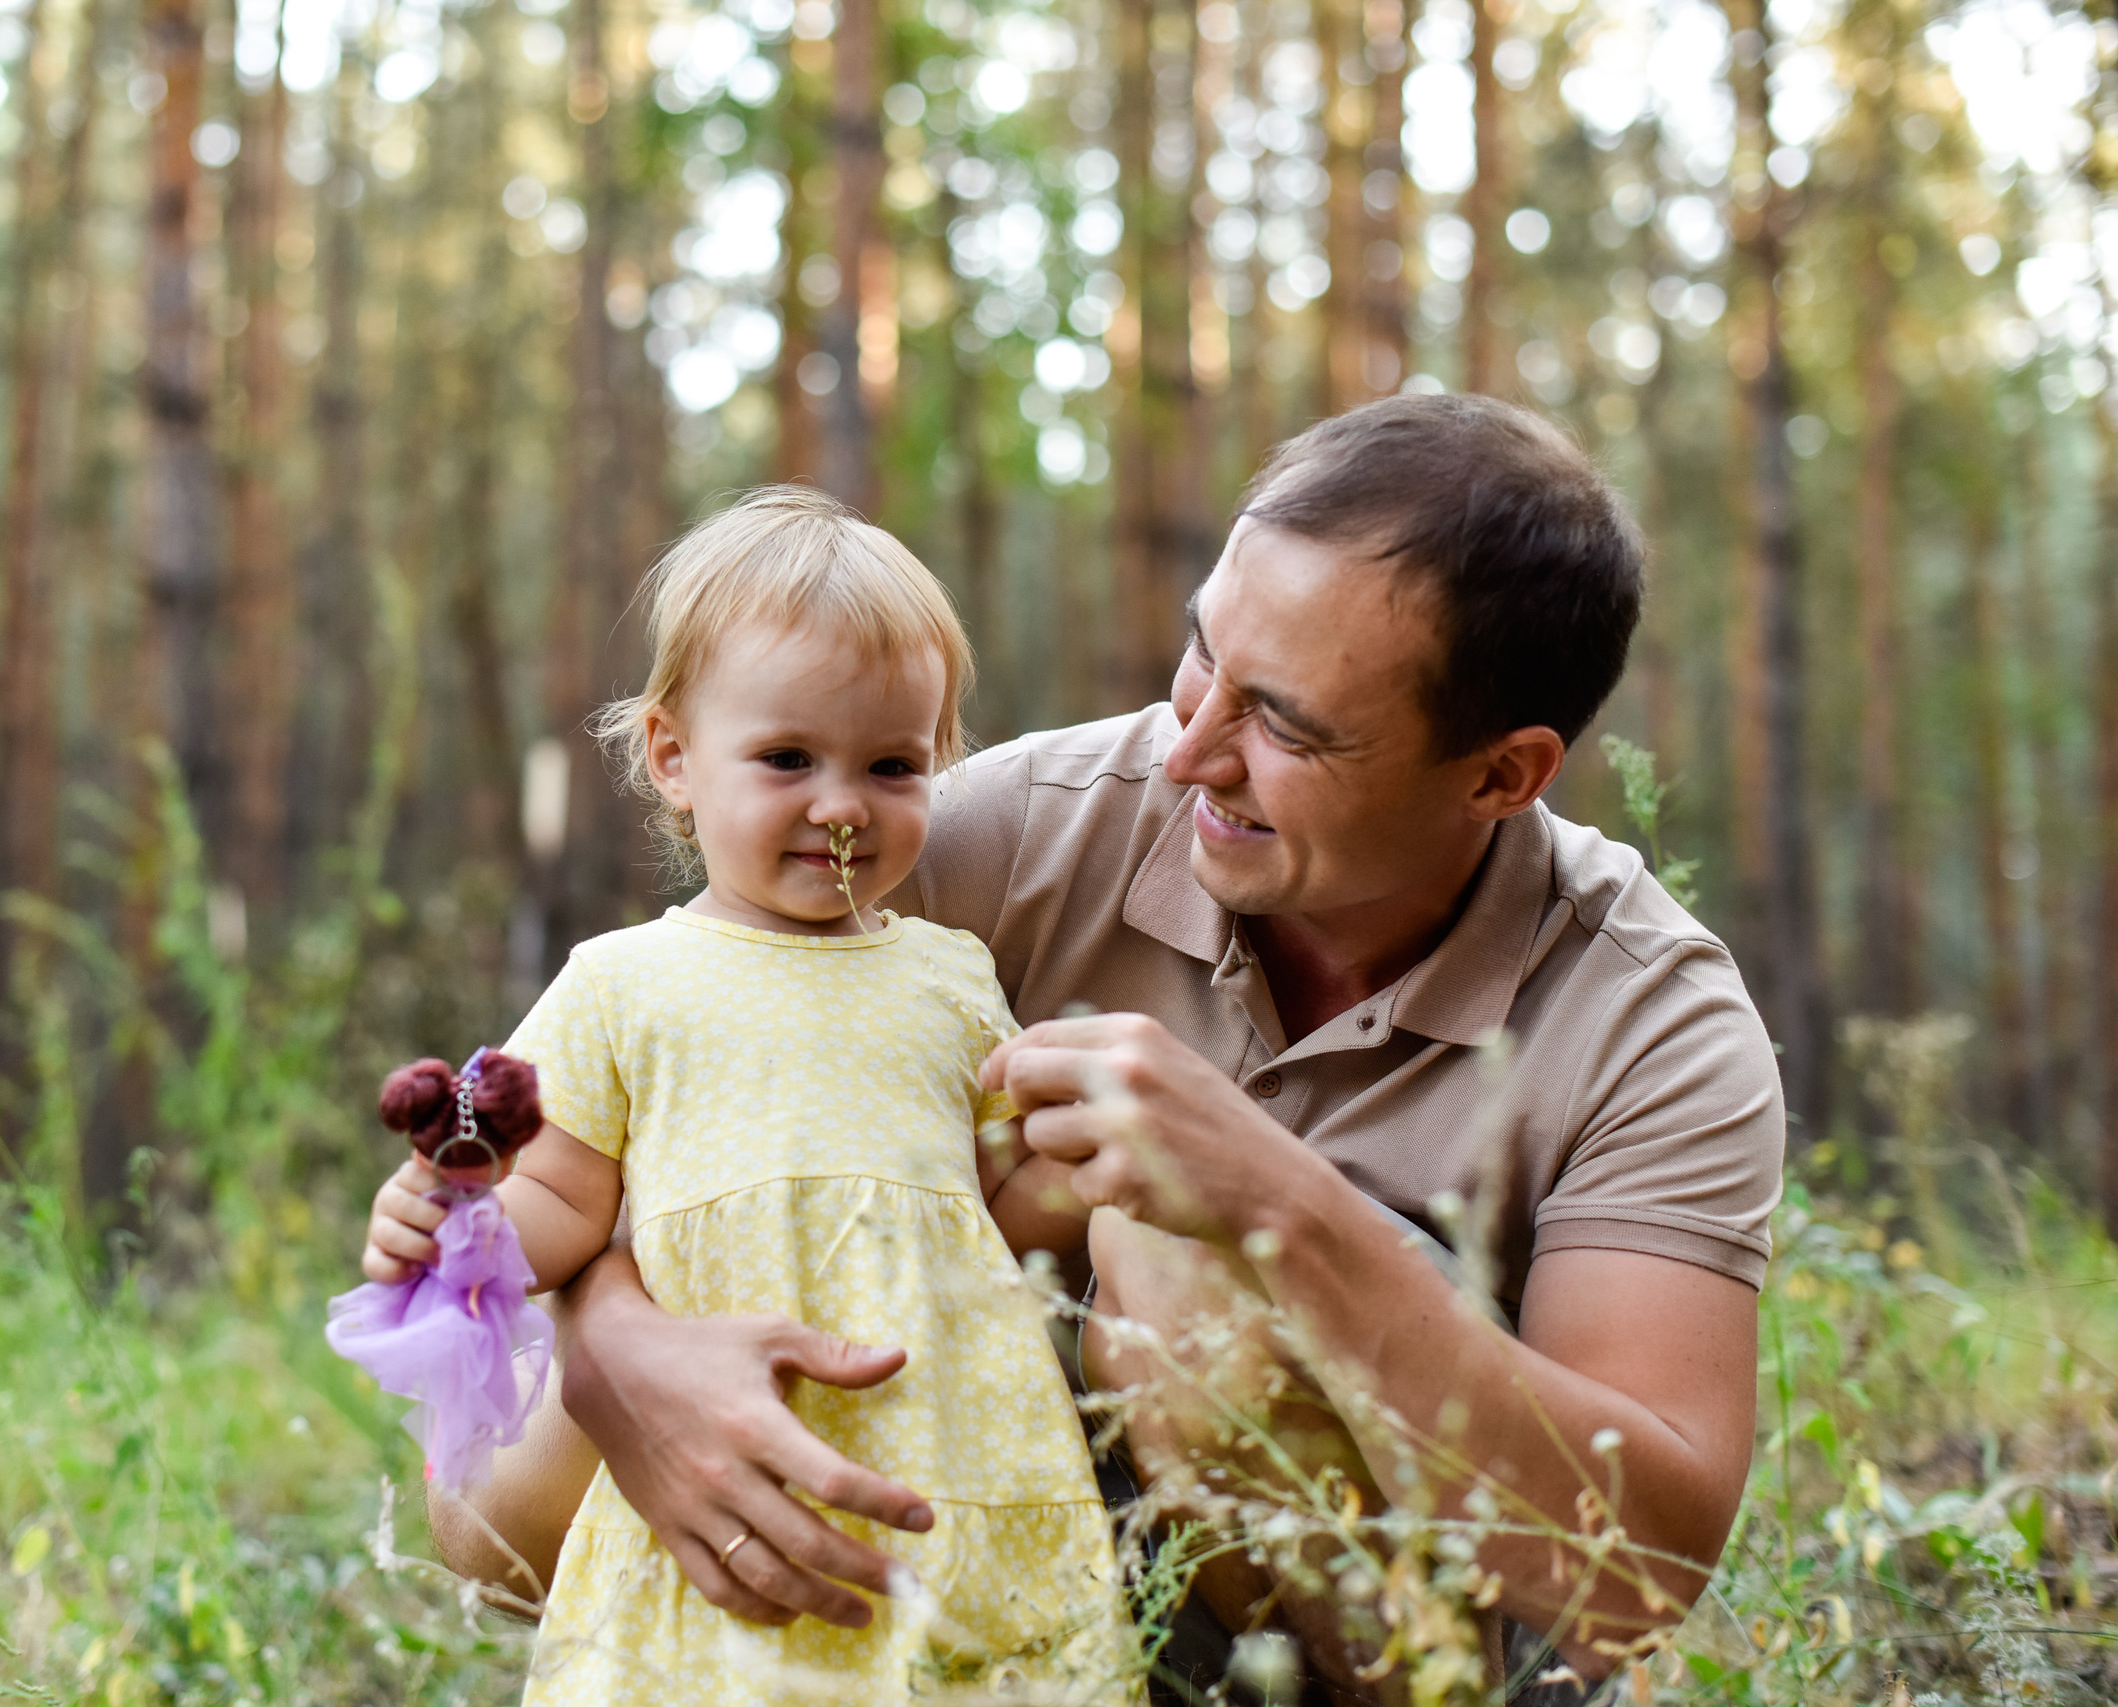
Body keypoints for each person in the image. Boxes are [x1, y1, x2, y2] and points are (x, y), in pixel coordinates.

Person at [377, 395, 1783, 1702]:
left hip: (1394, 1633)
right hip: (955, 1523)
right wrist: (626, 1348)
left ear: (1500, 772)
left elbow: (1641, 1569)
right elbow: (683, 1084)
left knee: (1178, 1260)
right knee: (498, 1479)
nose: (1190, 752)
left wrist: (1278, 1199)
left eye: (1281, 723)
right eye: (1202, 653)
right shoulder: (997, 827)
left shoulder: (1652, 1019)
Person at [366, 486, 1139, 1704]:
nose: (841, 806)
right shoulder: (623, 982)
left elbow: (999, 1205)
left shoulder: (951, 975)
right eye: (787, 759)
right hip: (716, 1448)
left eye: (892, 765)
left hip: (944, 1442)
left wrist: (1085, 1161)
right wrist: (456, 1222)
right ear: (673, 757)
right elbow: (561, 1196)